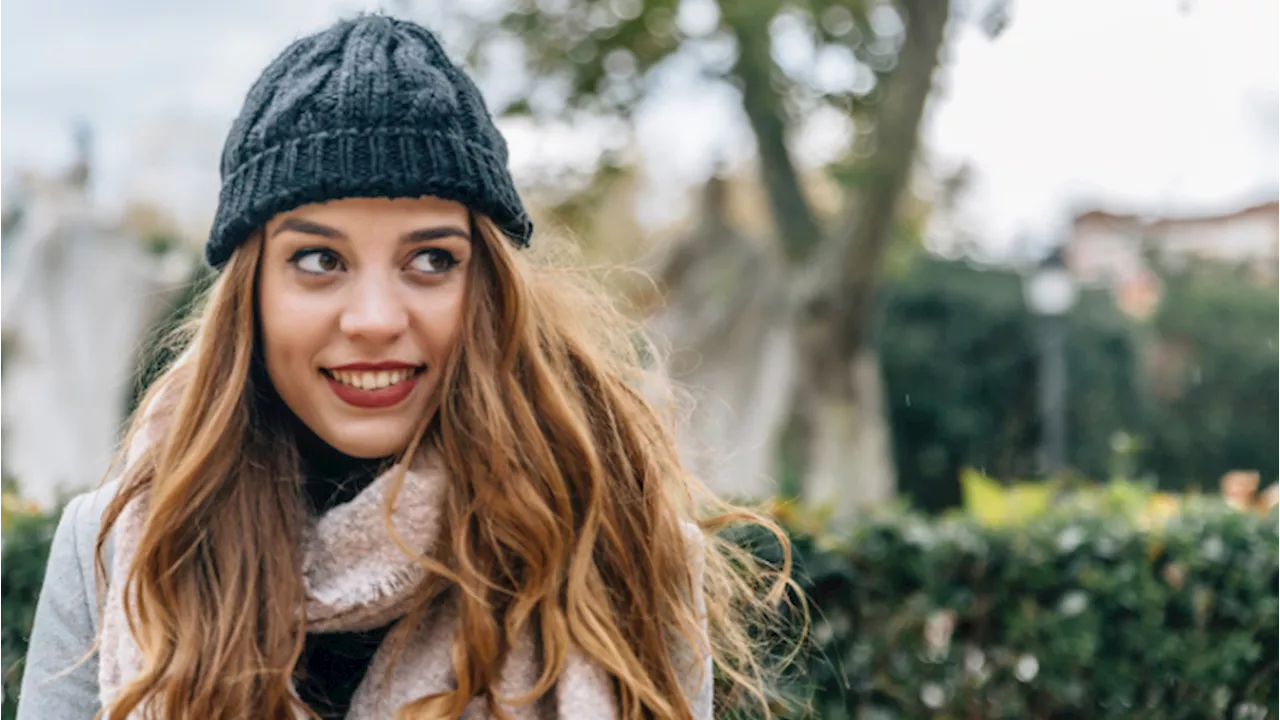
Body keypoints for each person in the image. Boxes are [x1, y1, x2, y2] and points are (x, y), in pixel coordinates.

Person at [16, 14, 792, 720]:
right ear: (250, 294)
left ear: (487, 287)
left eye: (430, 259)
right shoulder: (119, 549)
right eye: (319, 259)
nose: (377, 319)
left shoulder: (619, 549)